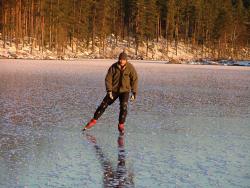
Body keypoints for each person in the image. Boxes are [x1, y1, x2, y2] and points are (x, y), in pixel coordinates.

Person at [82, 52, 138, 134]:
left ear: (126, 60)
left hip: (125, 91)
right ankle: (93, 120)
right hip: (113, 90)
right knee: (104, 104)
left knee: (124, 107)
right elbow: (108, 79)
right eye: (120, 59)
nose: (121, 61)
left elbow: (134, 80)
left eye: (123, 60)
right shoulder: (113, 67)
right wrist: (109, 91)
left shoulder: (130, 68)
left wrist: (134, 92)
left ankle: (121, 124)